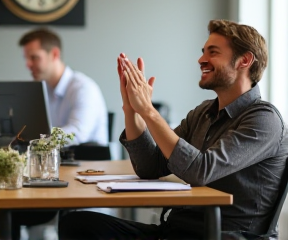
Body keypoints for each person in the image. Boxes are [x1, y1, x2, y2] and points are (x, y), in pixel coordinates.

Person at [58, 19, 288, 240]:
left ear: (244, 61)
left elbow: (200, 171)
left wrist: (149, 111)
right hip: (175, 232)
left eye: (213, 52)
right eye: (203, 51)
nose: (201, 59)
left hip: (223, 236)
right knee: (77, 224)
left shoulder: (264, 120)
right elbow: (150, 166)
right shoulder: (203, 112)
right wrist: (132, 110)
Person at [11, 28, 108, 240]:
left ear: (54, 54)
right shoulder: (41, 91)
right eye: (26, 58)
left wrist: (34, 143)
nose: (28, 64)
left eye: (34, 57)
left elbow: (77, 132)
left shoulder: (83, 88)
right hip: (52, 175)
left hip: (83, 180)